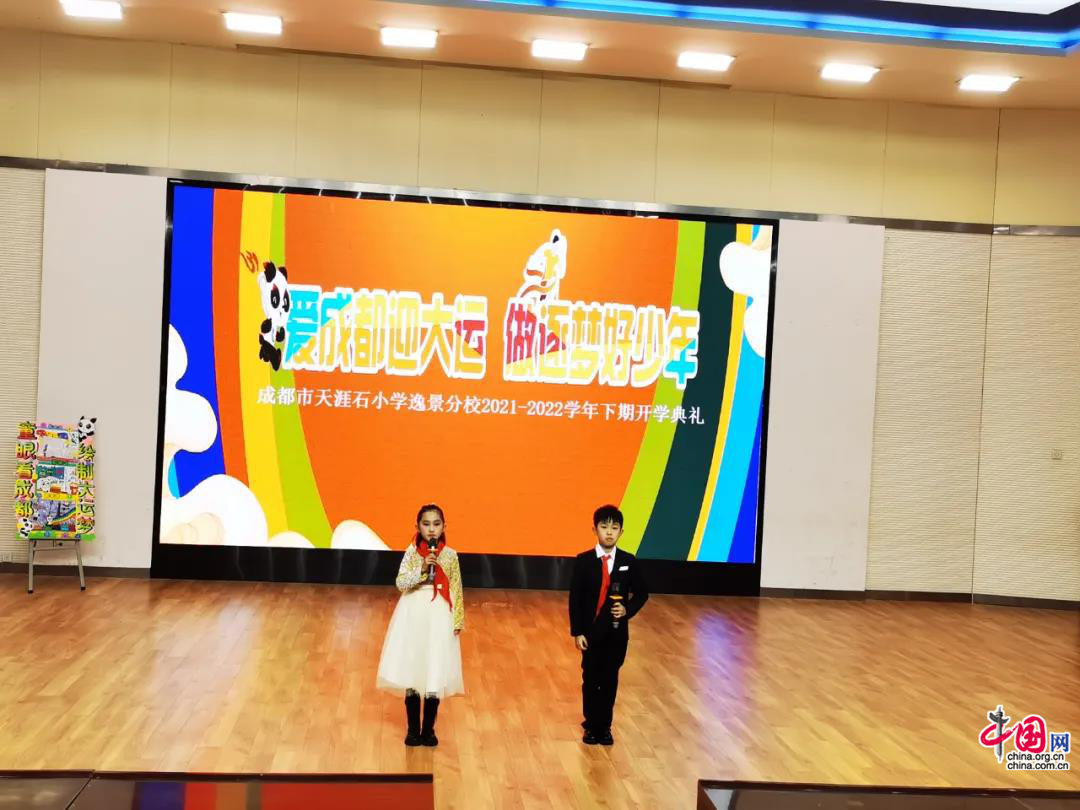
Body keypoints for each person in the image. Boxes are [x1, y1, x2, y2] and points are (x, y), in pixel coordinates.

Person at [377, 504, 464, 746]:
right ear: (417, 527)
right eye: (426, 524)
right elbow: (401, 582)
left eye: (436, 524)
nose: (431, 529)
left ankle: (429, 730)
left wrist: (458, 620)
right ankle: (413, 730)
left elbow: (456, 588)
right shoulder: (412, 553)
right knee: (414, 668)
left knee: (434, 668)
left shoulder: (450, 555)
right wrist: (422, 568)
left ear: (444, 527)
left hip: (439, 616)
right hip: (413, 614)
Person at [568, 504, 649, 745]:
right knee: (591, 679)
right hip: (591, 633)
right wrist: (577, 632)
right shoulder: (583, 561)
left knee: (610, 679)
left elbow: (642, 593)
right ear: (595, 530)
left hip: (616, 634)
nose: (609, 532)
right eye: (604, 527)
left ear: (621, 532)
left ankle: (605, 726)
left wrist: (627, 610)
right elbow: (575, 599)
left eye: (614, 528)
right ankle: (591, 725)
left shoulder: (628, 561)